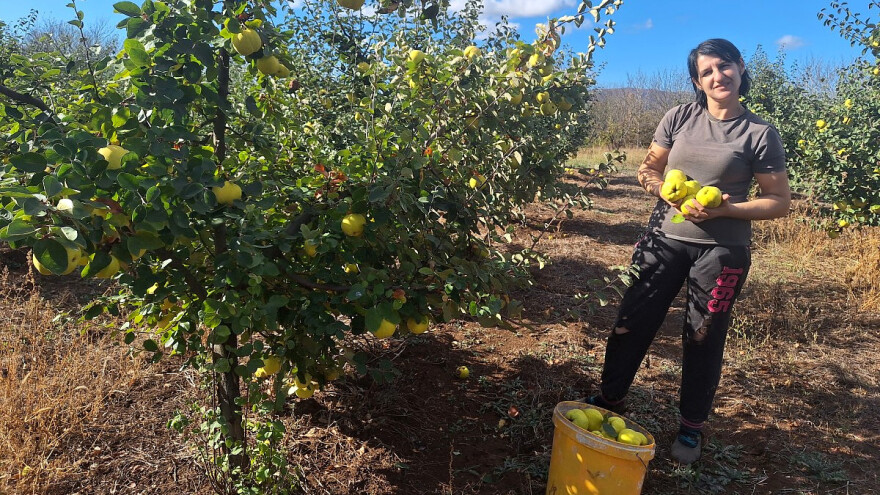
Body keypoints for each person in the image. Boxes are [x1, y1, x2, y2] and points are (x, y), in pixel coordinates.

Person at [587, 38, 791, 465]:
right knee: (633, 320)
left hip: (723, 251)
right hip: (664, 240)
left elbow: (778, 202)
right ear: (696, 81)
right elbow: (648, 168)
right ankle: (609, 399)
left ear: (739, 67)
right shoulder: (678, 117)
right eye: (707, 71)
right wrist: (665, 192)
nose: (718, 76)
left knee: (703, 335)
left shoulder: (759, 133)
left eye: (725, 65)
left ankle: (691, 428)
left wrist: (726, 207)